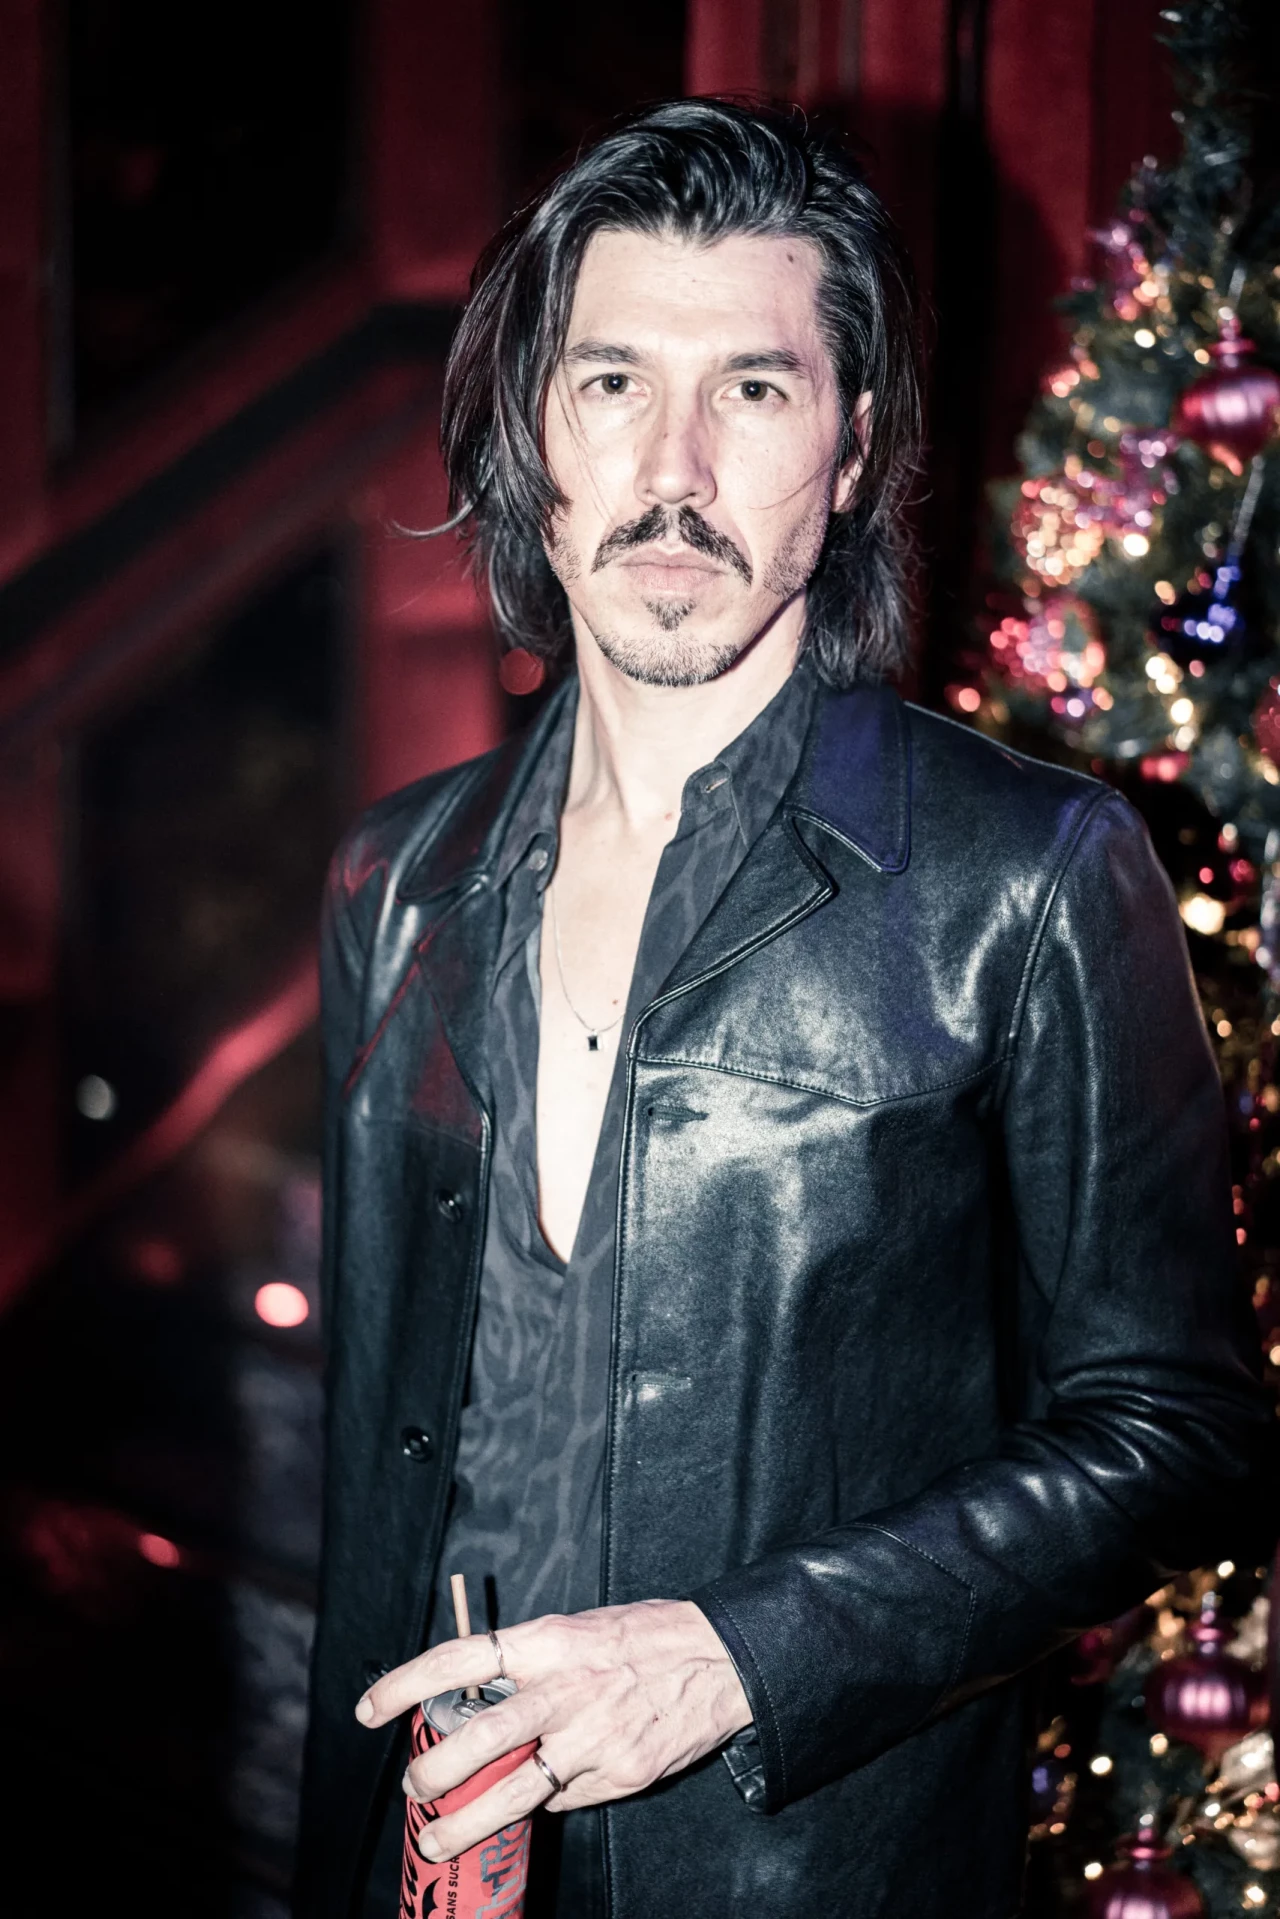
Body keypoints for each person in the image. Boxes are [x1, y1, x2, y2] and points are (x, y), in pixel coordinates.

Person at [295, 100, 1272, 1919]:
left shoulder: (1033, 877)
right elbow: (384, 1462)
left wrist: (737, 1657)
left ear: (851, 447)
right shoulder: (394, 879)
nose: (671, 466)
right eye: (610, 383)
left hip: (803, 1869)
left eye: (751, 389)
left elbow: (1176, 1430)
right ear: (535, 429)